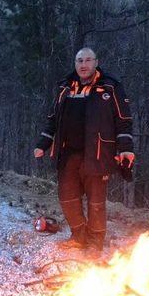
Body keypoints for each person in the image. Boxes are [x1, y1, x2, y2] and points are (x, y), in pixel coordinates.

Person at [34, 48, 134, 257]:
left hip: (98, 153)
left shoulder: (110, 87)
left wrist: (126, 149)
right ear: (75, 63)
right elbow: (53, 119)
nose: (83, 64)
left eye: (88, 60)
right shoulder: (65, 87)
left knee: (96, 201)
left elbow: (123, 121)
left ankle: (95, 242)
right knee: (67, 197)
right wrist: (43, 144)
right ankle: (79, 235)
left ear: (96, 62)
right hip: (68, 153)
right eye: (80, 60)